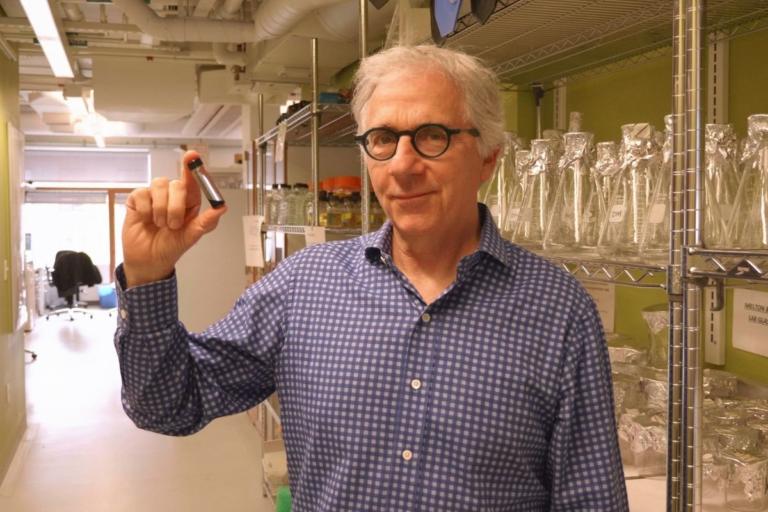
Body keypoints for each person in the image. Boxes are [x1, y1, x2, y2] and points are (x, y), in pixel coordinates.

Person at [115, 45, 629, 511]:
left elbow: (591, 501)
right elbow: (166, 405)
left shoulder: (558, 310)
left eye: (433, 136)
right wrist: (147, 274)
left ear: (488, 158)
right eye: (383, 139)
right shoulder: (303, 287)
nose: (403, 166)